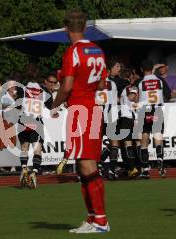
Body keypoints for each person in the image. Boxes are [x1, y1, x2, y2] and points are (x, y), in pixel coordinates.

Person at [51, 9, 110, 233]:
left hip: (81, 110)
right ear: (85, 28)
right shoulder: (97, 50)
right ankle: (93, 218)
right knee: (84, 164)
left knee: (86, 165)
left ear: (66, 29)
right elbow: (103, 84)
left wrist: (55, 104)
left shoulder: (73, 52)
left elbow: (66, 87)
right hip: (94, 109)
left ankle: (101, 220)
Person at [16, 74, 52, 189]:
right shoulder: (45, 92)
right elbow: (50, 106)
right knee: (37, 150)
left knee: (24, 148)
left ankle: (24, 169)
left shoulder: (22, 89)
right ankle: (34, 172)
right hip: (36, 122)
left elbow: (17, 105)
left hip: (24, 121)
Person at [137, 59, 169, 179]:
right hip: (157, 110)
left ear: (141, 69)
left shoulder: (139, 82)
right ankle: (160, 162)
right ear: (153, 68)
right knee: (158, 138)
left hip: (144, 111)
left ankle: (145, 169)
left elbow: (134, 97)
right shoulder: (160, 80)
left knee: (144, 139)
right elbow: (169, 95)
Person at [95, 70, 119, 180]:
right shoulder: (112, 84)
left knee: (96, 144)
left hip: (97, 115)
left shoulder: (93, 83)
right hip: (110, 116)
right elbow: (114, 101)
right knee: (114, 143)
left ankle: (98, 166)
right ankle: (112, 169)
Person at [119, 69, 140, 178]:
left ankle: (133, 167)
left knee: (128, 143)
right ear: (130, 77)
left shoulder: (123, 90)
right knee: (136, 143)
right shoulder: (132, 88)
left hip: (127, 118)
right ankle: (139, 167)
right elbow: (132, 97)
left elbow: (124, 99)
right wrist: (136, 98)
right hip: (133, 117)